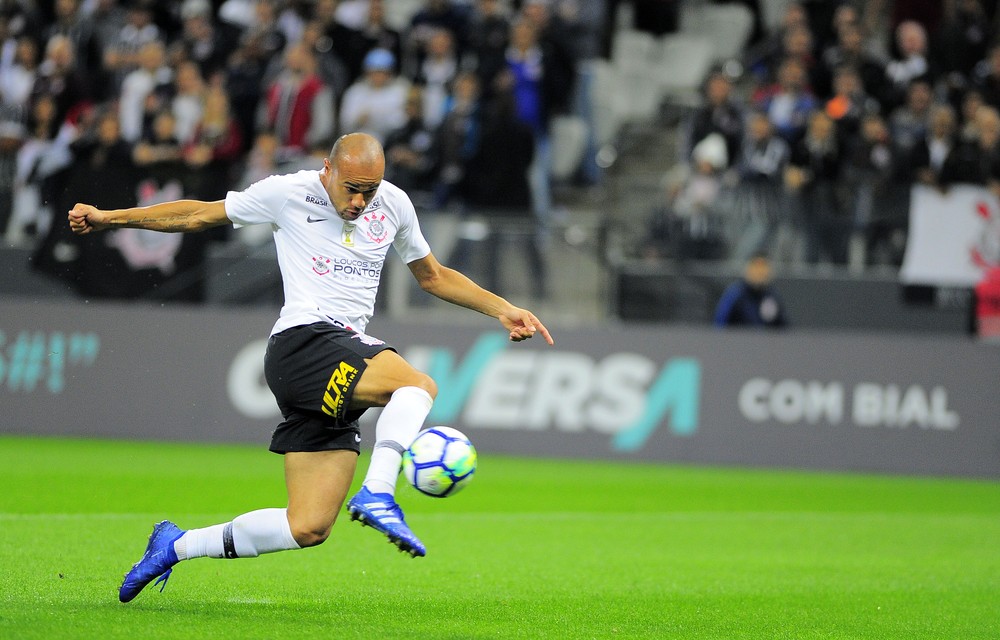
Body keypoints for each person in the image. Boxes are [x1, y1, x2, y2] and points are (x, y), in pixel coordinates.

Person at [67, 132, 553, 603]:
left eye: (371, 190)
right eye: (352, 188)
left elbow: (433, 276)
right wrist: (110, 218)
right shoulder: (287, 193)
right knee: (417, 384)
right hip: (305, 340)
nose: (362, 201)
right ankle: (380, 491)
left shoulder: (395, 205)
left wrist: (502, 309)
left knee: (308, 526)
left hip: (335, 359)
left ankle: (175, 545)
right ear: (328, 170)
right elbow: (197, 214)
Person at [714, 253, 789, 328]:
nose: (760, 272)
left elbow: (784, 327)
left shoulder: (772, 296)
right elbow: (719, 324)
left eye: (763, 267)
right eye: (756, 266)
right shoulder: (735, 294)